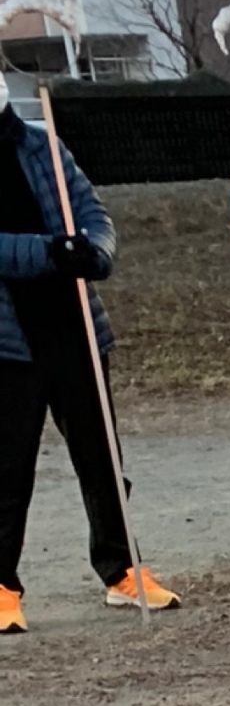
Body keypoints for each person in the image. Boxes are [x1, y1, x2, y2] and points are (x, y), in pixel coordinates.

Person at [0, 101, 174, 631]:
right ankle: (2, 584)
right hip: (7, 341)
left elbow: (94, 214)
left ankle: (121, 569)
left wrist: (96, 251)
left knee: (102, 461)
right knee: (6, 469)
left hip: (74, 330)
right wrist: (52, 252)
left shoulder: (43, 145)